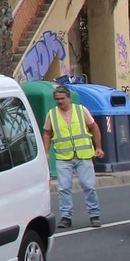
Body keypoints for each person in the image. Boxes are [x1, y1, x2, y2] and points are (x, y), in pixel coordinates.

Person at [42, 82, 104, 229]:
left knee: (88, 185)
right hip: (64, 156)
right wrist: (46, 152)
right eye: (57, 99)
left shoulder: (81, 110)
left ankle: (94, 215)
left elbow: (94, 127)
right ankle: (66, 217)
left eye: (62, 98)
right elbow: (47, 133)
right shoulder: (52, 114)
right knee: (64, 188)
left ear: (69, 98)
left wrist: (99, 147)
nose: (59, 101)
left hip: (83, 154)